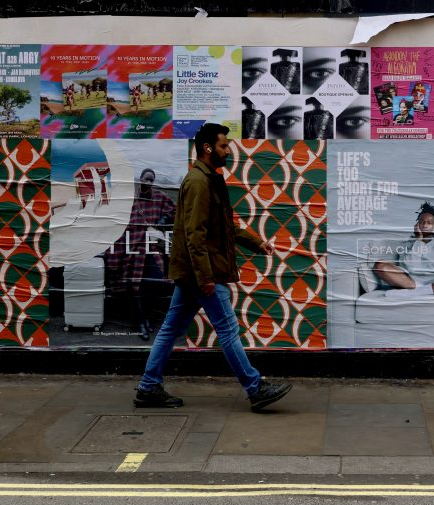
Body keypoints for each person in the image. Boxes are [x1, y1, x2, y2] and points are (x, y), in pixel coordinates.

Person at [134, 123, 292, 411]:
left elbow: (223, 226)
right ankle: (255, 388)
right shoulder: (199, 182)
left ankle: (148, 387)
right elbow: (194, 234)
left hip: (194, 271)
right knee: (228, 329)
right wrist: (205, 277)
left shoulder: (208, 178)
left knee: (170, 328)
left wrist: (256, 243)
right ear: (208, 148)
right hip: (202, 272)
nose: (228, 150)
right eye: (223, 146)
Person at [103, 168, 176, 341]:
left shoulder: (158, 197)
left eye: (151, 180)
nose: (148, 182)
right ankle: (141, 321)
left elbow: (173, 210)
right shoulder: (130, 199)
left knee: (156, 280)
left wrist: (162, 221)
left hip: (151, 247)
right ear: (140, 179)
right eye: (146, 179)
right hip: (132, 247)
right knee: (135, 283)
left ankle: (147, 317)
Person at [372, 201, 434, 299]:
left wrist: (418, 267)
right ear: (417, 225)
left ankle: (419, 292)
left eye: (429, 223)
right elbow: (407, 267)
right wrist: (418, 241)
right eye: (422, 222)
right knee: (379, 265)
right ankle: (432, 290)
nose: (425, 225)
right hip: (411, 281)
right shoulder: (408, 244)